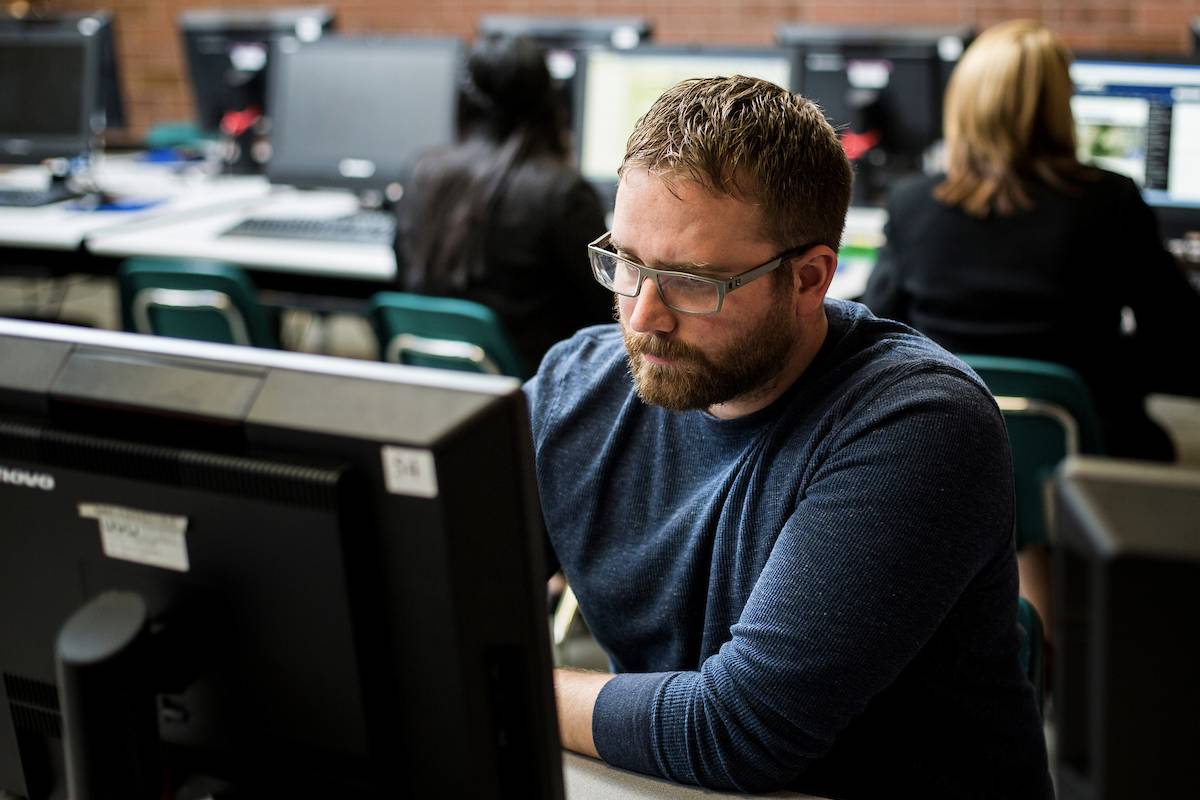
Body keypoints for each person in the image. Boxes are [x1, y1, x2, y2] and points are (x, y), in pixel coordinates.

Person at [525, 75, 1052, 798]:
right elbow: (444, 591)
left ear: (809, 279)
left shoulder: (920, 424)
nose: (643, 315)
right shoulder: (574, 387)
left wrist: (506, 684)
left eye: (688, 281)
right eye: (626, 264)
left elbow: (737, 730)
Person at [862, 19, 1200, 464]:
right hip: (1082, 454)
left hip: (942, 448)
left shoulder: (911, 203)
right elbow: (1179, 339)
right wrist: (1100, 366)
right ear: (1061, 104)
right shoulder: (1111, 201)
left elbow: (879, 333)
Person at [393, 34, 610, 375]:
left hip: (435, 388)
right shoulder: (561, 192)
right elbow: (609, 307)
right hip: (538, 394)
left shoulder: (422, 174)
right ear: (550, 100)